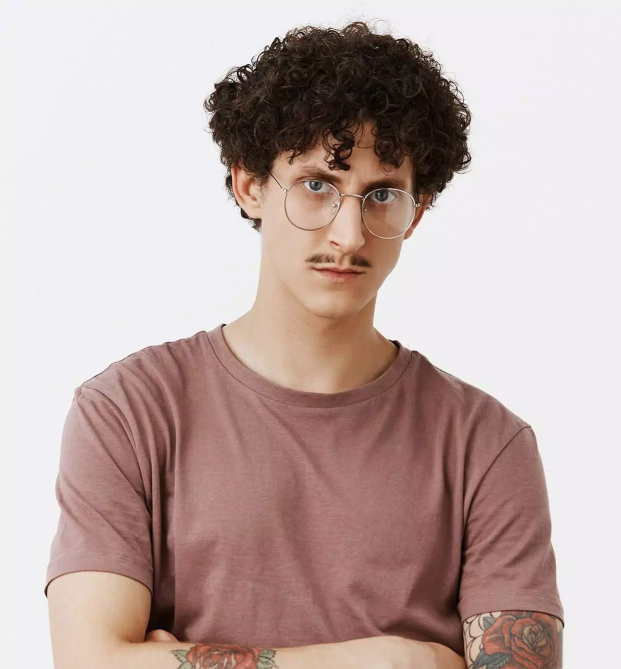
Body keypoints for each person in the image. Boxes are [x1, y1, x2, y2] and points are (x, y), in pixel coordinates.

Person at [44, 20, 564, 669]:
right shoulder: (128, 411)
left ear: (417, 212)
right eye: (317, 185)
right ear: (250, 186)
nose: (349, 235)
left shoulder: (487, 444)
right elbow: (89, 661)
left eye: (382, 195)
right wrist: (389, 661)